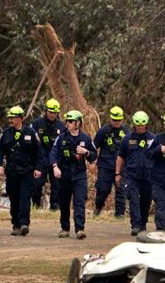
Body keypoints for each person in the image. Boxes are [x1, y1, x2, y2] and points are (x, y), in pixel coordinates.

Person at [0, 106, 46, 236]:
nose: (11, 120)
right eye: (10, 117)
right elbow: (0, 150)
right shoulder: (6, 133)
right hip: (12, 172)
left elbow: (39, 152)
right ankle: (16, 224)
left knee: (24, 197)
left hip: (27, 172)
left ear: (20, 118)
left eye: (13, 117)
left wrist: (38, 168)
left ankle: (24, 223)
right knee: (14, 198)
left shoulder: (30, 133)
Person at [50, 110, 97, 240]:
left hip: (79, 175)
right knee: (64, 202)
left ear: (78, 122)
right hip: (64, 174)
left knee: (79, 201)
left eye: (71, 121)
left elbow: (94, 155)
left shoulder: (85, 138)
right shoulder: (61, 138)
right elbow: (53, 154)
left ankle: (80, 229)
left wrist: (86, 152)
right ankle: (65, 228)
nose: (68, 124)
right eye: (67, 121)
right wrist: (55, 167)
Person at [115, 111, 155, 236]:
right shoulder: (127, 139)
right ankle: (136, 225)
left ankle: (143, 223)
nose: (140, 128)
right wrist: (117, 173)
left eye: (142, 125)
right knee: (133, 200)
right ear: (134, 125)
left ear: (146, 124)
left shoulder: (153, 139)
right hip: (132, 175)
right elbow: (120, 157)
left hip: (148, 176)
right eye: (138, 125)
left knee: (146, 201)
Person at [93, 106, 129, 217]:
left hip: (121, 166)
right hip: (105, 165)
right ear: (110, 119)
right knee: (103, 189)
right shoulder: (103, 131)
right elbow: (94, 146)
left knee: (121, 190)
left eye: (119, 120)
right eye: (114, 120)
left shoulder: (126, 132)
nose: (116, 123)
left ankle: (119, 214)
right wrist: (92, 161)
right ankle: (98, 208)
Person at [31, 98, 65, 210]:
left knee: (57, 185)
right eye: (50, 112)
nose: (52, 115)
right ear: (46, 111)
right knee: (37, 184)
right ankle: (36, 205)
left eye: (55, 113)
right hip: (40, 159)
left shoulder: (62, 126)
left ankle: (55, 206)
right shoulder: (36, 124)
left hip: (55, 160)